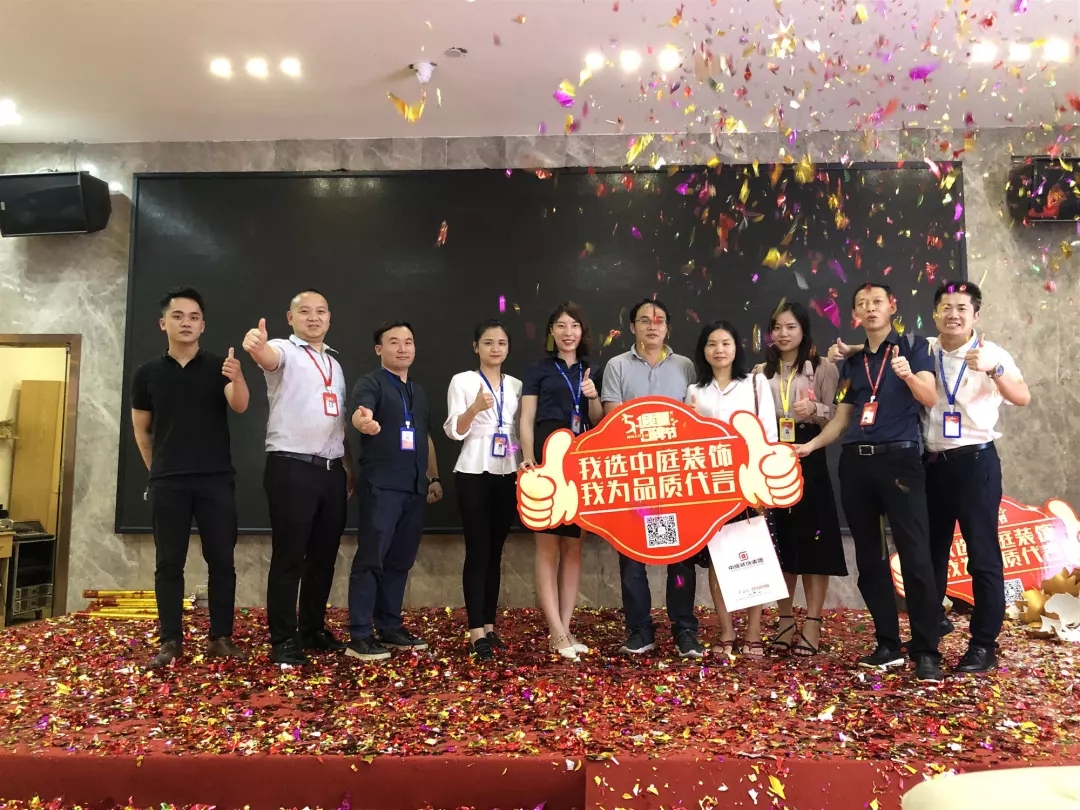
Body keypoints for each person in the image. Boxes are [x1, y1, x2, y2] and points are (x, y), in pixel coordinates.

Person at [796, 282, 945, 683]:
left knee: (915, 557)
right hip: (856, 465)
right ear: (855, 315)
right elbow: (843, 417)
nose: (870, 308)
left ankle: (926, 650)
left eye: (877, 301)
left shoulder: (913, 348)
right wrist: (811, 445)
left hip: (900, 462)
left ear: (892, 306)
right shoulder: (852, 364)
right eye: (862, 304)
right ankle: (887, 644)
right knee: (870, 558)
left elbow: (930, 397)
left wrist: (908, 376)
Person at [131, 286, 249, 668]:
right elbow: (142, 430)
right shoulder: (146, 373)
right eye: (178, 316)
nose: (186, 323)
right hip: (168, 483)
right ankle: (170, 641)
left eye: (194, 317)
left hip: (216, 479)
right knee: (169, 563)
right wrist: (158, 471)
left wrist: (237, 377)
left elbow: (240, 405)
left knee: (222, 561)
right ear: (163, 323)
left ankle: (221, 637)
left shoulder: (220, 366)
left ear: (203, 326)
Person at [242, 290, 355, 666]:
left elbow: (337, 421)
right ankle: (283, 639)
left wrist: (348, 467)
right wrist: (258, 347)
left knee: (323, 558)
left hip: (332, 471)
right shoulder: (284, 350)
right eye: (304, 311)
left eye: (321, 311)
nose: (313, 317)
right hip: (291, 467)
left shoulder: (334, 363)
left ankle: (312, 629)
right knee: (289, 557)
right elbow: (267, 357)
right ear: (290, 318)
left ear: (330, 318)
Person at [923, 281, 1029, 672]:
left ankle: (984, 644)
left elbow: (1022, 397)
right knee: (930, 554)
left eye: (962, 308)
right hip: (932, 464)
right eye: (946, 307)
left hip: (975, 463)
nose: (953, 314)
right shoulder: (926, 351)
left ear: (975, 315)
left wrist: (994, 370)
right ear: (935, 313)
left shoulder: (992, 352)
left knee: (982, 556)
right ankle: (929, 632)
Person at [600, 299, 703, 659]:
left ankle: (684, 628)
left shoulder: (685, 366)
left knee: (680, 554)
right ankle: (640, 628)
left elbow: (695, 419)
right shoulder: (616, 366)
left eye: (658, 321)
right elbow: (612, 422)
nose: (652, 326)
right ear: (632, 327)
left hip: (675, 476)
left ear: (667, 327)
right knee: (632, 555)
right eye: (644, 320)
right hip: (633, 477)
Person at [755, 302, 846, 658]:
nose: (783, 334)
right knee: (781, 541)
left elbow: (838, 417)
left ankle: (813, 621)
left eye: (790, 327)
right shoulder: (760, 372)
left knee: (814, 541)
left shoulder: (823, 367)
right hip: (772, 459)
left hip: (810, 454)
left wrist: (816, 410)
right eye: (777, 327)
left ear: (803, 330)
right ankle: (784, 619)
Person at [348, 321, 443, 661]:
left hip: (414, 488)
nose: (403, 348)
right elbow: (360, 414)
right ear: (379, 349)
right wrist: (364, 422)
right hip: (382, 486)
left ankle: (389, 627)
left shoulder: (418, 391)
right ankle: (360, 634)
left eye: (408, 342)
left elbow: (424, 437)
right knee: (371, 559)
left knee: (400, 561)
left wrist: (433, 478)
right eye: (394, 342)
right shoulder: (371, 383)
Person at [685, 320, 777, 658]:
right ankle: (726, 629)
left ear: (736, 348)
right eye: (712, 344)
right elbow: (689, 443)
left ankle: (753, 632)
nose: (719, 350)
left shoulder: (755, 383)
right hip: (711, 488)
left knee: (753, 557)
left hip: (748, 483)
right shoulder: (695, 390)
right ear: (703, 350)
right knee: (717, 559)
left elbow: (768, 435)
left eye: (725, 343)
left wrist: (764, 486)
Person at [519, 302, 604, 660]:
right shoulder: (538, 369)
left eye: (574, 326)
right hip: (545, 459)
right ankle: (555, 631)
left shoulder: (592, 370)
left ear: (583, 332)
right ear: (552, 331)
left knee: (573, 547)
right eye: (561, 325)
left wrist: (593, 397)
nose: (568, 332)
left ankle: (566, 629)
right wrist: (528, 458)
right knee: (547, 546)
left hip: (579, 464)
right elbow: (526, 418)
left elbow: (598, 422)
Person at [444, 319, 522, 661]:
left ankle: (490, 627)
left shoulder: (517, 385)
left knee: (496, 552)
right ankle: (476, 630)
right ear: (476, 347)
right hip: (474, 470)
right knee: (477, 551)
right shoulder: (462, 380)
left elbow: (518, 430)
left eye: (501, 343)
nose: (495, 348)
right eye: (488, 342)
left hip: (509, 471)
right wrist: (474, 408)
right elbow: (454, 431)